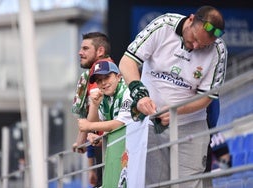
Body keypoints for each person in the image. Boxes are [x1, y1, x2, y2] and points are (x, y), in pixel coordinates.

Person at [118, 5, 228, 188]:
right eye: (193, 39)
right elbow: (127, 61)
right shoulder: (163, 25)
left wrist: (178, 111)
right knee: (154, 184)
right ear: (191, 19)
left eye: (203, 45)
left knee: (190, 184)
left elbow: (208, 96)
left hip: (191, 125)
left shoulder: (218, 50)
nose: (195, 46)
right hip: (152, 122)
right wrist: (140, 93)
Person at [78, 60, 133, 188]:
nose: (103, 83)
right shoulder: (105, 97)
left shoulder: (128, 91)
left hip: (139, 148)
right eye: (99, 80)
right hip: (121, 152)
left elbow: (120, 124)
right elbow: (96, 124)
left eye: (107, 77)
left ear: (118, 77)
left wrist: (89, 127)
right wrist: (94, 105)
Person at [72, 32, 112, 187]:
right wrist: (91, 168)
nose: (80, 52)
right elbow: (89, 122)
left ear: (100, 51)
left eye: (85, 48)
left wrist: (80, 140)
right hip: (101, 147)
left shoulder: (99, 74)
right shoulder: (88, 76)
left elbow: (90, 122)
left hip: (112, 145)